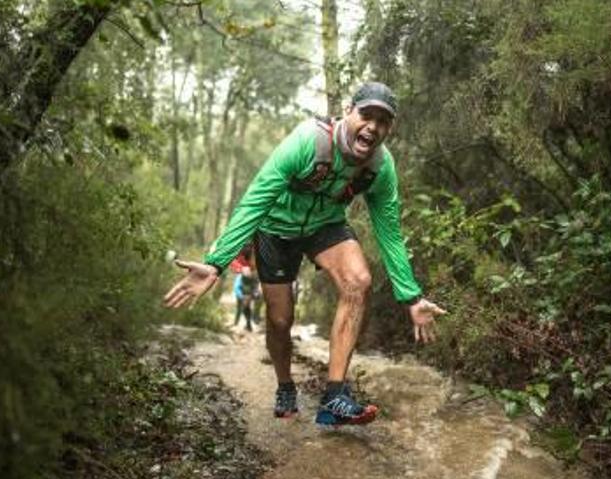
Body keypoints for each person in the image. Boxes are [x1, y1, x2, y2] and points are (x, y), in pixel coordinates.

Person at [164, 82, 446, 426]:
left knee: (358, 281)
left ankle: (334, 397)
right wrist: (216, 263)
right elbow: (256, 199)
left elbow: (390, 233)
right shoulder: (307, 142)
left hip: (324, 226)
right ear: (348, 112)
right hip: (275, 228)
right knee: (281, 320)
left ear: (390, 129)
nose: (373, 127)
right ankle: (285, 385)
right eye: (366, 115)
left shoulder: (380, 167)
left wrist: (411, 297)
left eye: (383, 121)